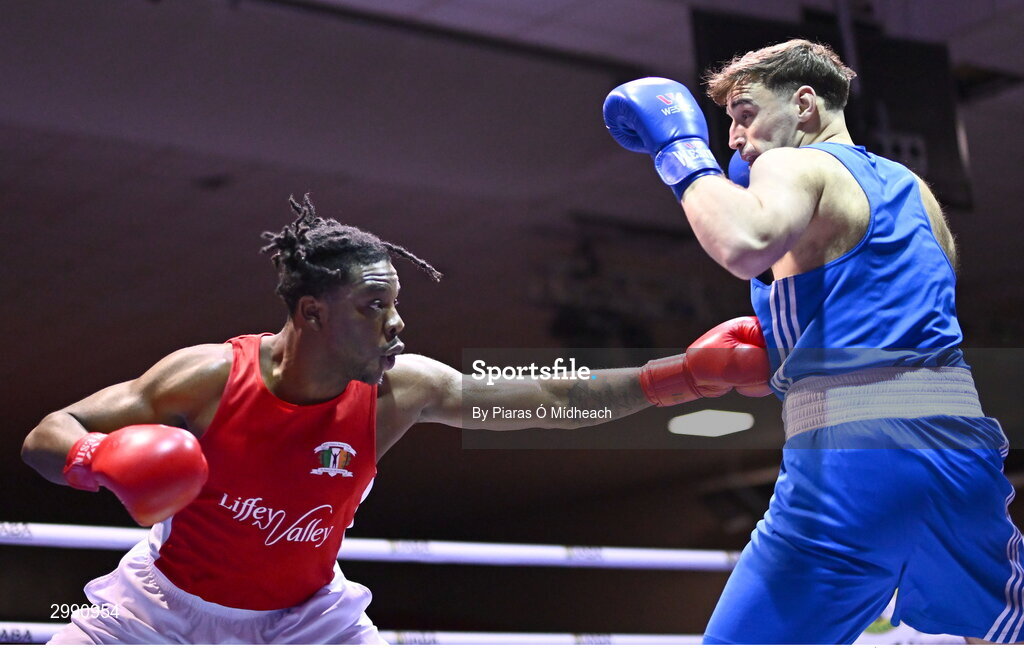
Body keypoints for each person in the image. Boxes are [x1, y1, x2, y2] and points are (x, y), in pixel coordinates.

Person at [22, 194, 772, 644]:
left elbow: (543, 399)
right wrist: (94, 459)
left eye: (395, 303)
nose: (395, 324)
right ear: (312, 312)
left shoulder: (399, 391)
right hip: (159, 615)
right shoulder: (210, 377)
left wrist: (674, 379)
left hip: (307, 623)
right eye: (372, 306)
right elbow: (47, 432)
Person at [603, 39, 1022, 644]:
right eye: (726, 125)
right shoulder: (917, 193)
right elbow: (896, 309)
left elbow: (744, 244)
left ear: (804, 106)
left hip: (855, 457)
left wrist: (681, 156)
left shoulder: (795, 162)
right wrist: (783, 350)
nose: (735, 139)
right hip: (960, 452)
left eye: (745, 113)